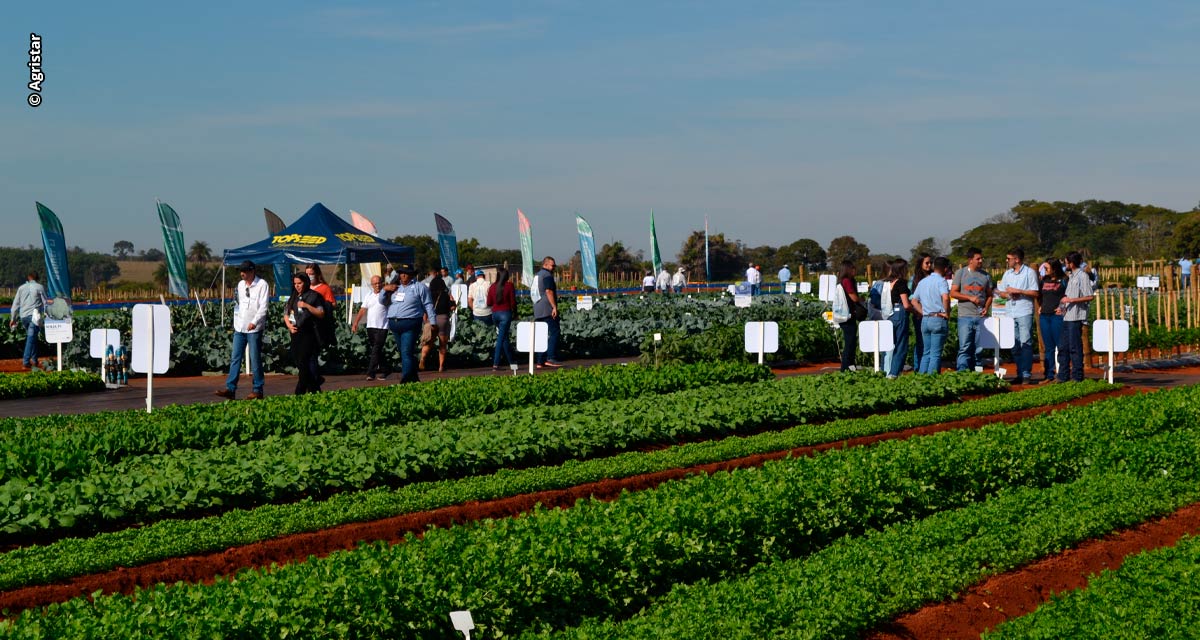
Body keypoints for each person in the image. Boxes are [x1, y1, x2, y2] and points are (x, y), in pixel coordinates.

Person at [216, 260, 269, 400]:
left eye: (245, 271)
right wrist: (237, 321)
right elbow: (238, 304)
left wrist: (254, 322)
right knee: (235, 357)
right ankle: (230, 388)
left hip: (254, 328)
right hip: (240, 327)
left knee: (254, 358)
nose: (242, 273)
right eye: (241, 271)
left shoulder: (262, 285)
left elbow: (263, 307)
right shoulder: (240, 285)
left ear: (252, 271)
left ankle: (258, 389)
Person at [380, 263, 436, 383]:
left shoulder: (419, 287)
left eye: (406, 273)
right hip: (395, 324)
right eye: (401, 273)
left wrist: (433, 321)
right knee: (404, 353)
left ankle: (405, 379)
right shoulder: (395, 287)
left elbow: (428, 304)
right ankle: (414, 377)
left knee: (406, 352)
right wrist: (384, 290)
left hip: (410, 323)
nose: (403, 275)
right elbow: (382, 301)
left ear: (411, 275)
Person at [996, 247, 1040, 384]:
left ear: (1017, 259)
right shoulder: (1007, 274)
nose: (1006, 261)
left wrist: (1019, 291)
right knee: (1014, 344)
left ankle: (1026, 373)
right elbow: (1001, 292)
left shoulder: (1029, 273)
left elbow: (1035, 293)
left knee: (1025, 342)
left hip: (1024, 311)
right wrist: (1008, 294)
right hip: (1010, 312)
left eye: (1008, 258)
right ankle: (1020, 372)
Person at [950, 247, 993, 372]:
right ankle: (962, 374)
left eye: (981, 258)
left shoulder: (986, 276)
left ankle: (977, 374)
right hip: (965, 316)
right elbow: (953, 292)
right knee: (964, 347)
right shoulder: (961, 273)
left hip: (980, 316)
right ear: (970, 260)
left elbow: (990, 295)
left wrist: (986, 307)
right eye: (978, 258)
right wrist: (970, 298)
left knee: (979, 348)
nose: (981, 261)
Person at [283, 273, 326, 394]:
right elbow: (286, 312)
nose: (297, 286)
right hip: (295, 333)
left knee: (303, 361)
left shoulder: (313, 296)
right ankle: (315, 386)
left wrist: (306, 305)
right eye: (295, 284)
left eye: (299, 283)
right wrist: (289, 325)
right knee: (299, 361)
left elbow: (321, 313)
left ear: (305, 283)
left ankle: (300, 391)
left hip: (308, 333)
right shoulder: (294, 296)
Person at [1056, 251, 1094, 382]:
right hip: (1066, 317)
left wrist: (1072, 300)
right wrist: (1061, 308)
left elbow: (1090, 296)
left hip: (1076, 318)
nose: (1065, 265)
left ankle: (1078, 377)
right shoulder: (1071, 276)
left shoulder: (1082, 276)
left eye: (1066, 263)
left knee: (1074, 348)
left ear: (1071, 263)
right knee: (1063, 347)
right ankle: (1063, 376)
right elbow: (1066, 298)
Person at [911, 257, 952, 374]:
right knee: (935, 354)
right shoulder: (941, 281)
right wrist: (947, 313)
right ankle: (932, 380)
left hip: (926, 319)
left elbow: (914, 301)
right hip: (938, 319)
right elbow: (945, 297)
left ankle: (921, 378)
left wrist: (923, 312)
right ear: (945, 269)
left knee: (926, 353)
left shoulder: (923, 281)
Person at [352, 274, 391, 381]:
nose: (377, 285)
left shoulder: (385, 295)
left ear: (382, 283)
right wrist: (356, 322)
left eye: (379, 283)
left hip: (382, 327)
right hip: (370, 327)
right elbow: (362, 310)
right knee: (377, 350)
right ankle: (386, 369)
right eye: (375, 283)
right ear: (372, 285)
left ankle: (371, 373)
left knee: (376, 349)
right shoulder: (368, 295)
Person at [8, 271, 48, 369]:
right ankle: (26, 361)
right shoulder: (40, 287)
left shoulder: (21, 288)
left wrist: (13, 318)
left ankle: (34, 360)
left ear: (28, 277)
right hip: (34, 316)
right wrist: (47, 314)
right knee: (31, 338)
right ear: (37, 278)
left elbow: (15, 305)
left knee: (32, 336)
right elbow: (45, 302)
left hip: (24, 316)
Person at [1037, 258, 1067, 383]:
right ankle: (1049, 375)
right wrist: (1040, 306)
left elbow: (1068, 296)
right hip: (1044, 316)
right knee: (1048, 347)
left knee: (1060, 346)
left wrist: (1062, 308)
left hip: (1057, 317)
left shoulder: (1064, 280)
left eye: (1047, 268)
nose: (1045, 270)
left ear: (1054, 268)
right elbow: (1039, 295)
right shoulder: (1043, 280)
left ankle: (1062, 374)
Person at [421, 269, 455, 372]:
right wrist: (453, 302)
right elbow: (452, 308)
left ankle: (422, 358)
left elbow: (425, 311)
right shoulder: (445, 295)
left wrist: (426, 321)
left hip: (431, 320)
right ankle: (441, 366)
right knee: (442, 344)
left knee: (428, 343)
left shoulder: (429, 296)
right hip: (443, 319)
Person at [883, 259, 912, 379]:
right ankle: (894, 373)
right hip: (900, 313)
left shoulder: (888, 282)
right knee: (901, 345)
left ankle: (886, 370)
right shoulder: (901, 283)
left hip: (889, 314)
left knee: (890, 344)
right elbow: (906, 304)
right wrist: (914, 310)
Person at [534, 256, 564, 367]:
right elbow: (549, 291)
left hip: (537, 307)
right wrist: (554, 307)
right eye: (552, 265)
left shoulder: (537, 275)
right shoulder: (547, 275)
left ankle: (540, 361)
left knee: (541, 334)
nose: (554, 267)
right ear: (545, 265)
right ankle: (550, 357)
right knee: (554, 332)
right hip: (547, 308)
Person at [487, 268, 517, 370]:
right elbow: (513, 302)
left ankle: (512, 363)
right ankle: (495, 364)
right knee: (501, 338)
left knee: (504, 338)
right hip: (505, 313)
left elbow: (489, 303)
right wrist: (515, 313)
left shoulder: (492, 287)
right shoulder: (509, 286)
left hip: (495, 314)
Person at [836, 260, 862, 372]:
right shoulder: (846, 281)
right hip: (848, 316)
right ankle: (846, 367)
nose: (854, 270)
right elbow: (854, 297)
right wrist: (862, 300)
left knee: (850, 342)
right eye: (853, 268)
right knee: (850, 343)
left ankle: (850, 366)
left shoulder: (842, 281)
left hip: (845, 316)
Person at [910, 253, 933, 370]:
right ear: (920, 264)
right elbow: (912, 298)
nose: (929, 265)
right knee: (920, 341)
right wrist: (918, 312)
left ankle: (927, 367)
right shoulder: (914, 279)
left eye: (930, 262)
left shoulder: (933, 276)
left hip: (932, 315)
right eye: (926, 263)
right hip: (919, 314)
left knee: (930, 343)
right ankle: (918, 367)